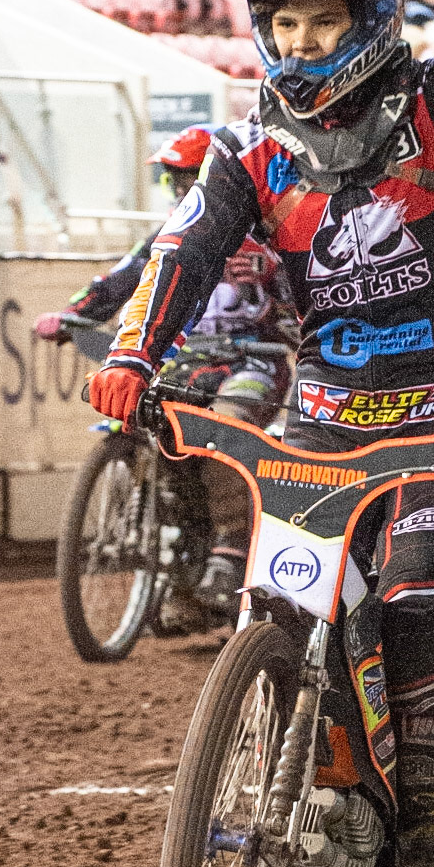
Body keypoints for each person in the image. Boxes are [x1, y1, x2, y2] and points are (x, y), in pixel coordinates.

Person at [88, 0, 434, 867]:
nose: (299, 41)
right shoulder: (253, 149)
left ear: (373, 15)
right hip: (320, 420)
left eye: (323, 19)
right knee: (288, 617)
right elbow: (186, 249)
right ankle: (320, 817)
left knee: (422, 616)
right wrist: (132, 354)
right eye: (283, 21)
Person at [36, 126, 295, 620]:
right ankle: (178, 553)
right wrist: (71, 315)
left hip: (253, 360)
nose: (179, 191)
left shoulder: (274, 235)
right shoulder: (169, 238)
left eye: (187, 178)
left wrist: (273, 283)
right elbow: (116, 283)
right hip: (186, 359)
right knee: (139, 419)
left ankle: (231, 548)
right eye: (171, 181)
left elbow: (308, 304)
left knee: (223, 432)